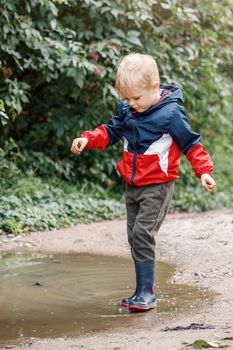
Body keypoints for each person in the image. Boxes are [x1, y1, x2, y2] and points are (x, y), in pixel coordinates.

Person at [71, 53, 216, 312]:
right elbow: (111, 131)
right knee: (134, 236)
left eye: (136, 98)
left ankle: (147, 294)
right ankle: (141, 291)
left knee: (142, 233)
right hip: (133, 184)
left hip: (158, 185)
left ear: (154, 88)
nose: (130, 103)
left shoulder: (170, 114)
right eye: (126, 98)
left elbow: (191, 144)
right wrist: (89, 139)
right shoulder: (128, 109)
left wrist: (204, 171)